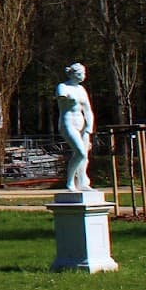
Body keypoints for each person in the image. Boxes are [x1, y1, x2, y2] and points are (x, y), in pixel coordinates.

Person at [56, 62, 95, 192]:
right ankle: (70, 182)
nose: (82, 76)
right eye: (80, 73)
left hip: (82, 124)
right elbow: (61, 99)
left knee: (85, 156)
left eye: (84, 74)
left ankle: (82, 181)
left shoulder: (81, 89)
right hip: (68, 123)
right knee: (80, 152)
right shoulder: (63, 87)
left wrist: (89, 127)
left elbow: (88, 110)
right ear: (72, 74)